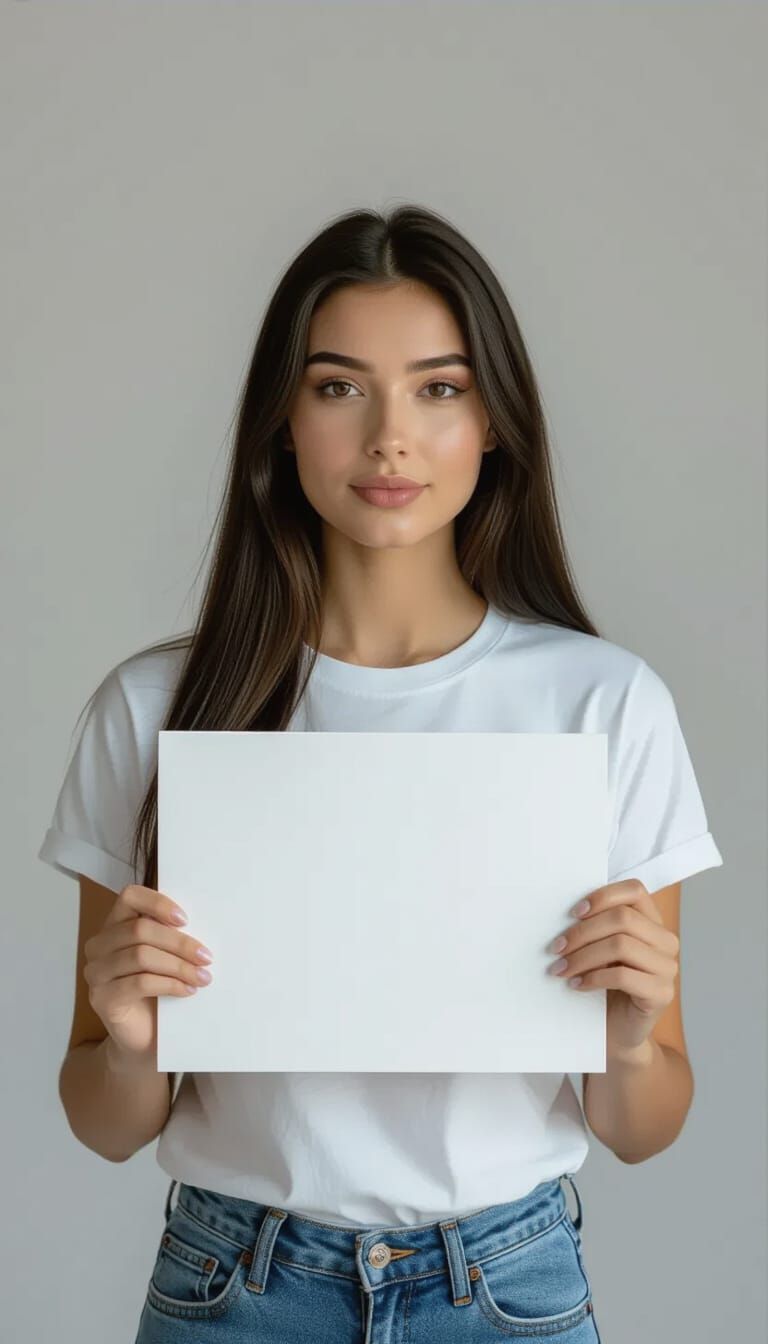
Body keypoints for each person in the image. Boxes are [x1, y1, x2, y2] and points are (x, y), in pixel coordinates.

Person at [38, 203, 722, 1343]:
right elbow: (106, 1123)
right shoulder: (153, 709)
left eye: (440, 388)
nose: (390, 438)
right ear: (282, 421)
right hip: (232, 1281)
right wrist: (130, 1037)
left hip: (506, 1283)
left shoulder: (603, 704)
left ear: (494, 420)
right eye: (340, 386)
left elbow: (643, 1126)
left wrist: (634, 1037)